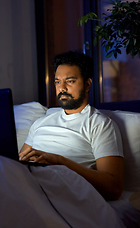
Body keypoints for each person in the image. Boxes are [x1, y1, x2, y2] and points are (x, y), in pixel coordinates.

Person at [19, 51, 124, 201]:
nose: (61, 88)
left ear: (87, 84)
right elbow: (19, 161)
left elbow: (114, 188)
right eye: (57, 82)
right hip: (27, 185)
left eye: (70, 81)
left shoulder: (100, 124)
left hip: (59, 193)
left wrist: (60, 161)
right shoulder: (41, 122)